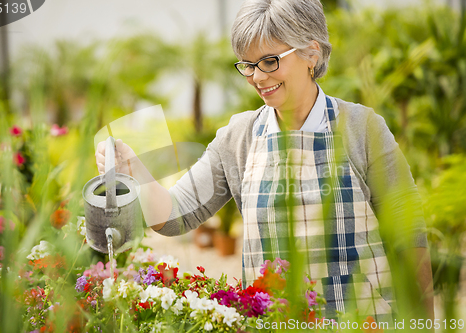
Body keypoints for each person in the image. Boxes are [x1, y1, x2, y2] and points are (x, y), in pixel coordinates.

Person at [96, 0, 433, 324]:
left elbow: (408, 234)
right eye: (247, 64)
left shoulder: (362, 128)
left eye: (269, 61)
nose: (257, 78)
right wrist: (133, 170)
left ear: (311, 54)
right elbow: (173, 215)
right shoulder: (239, 137)